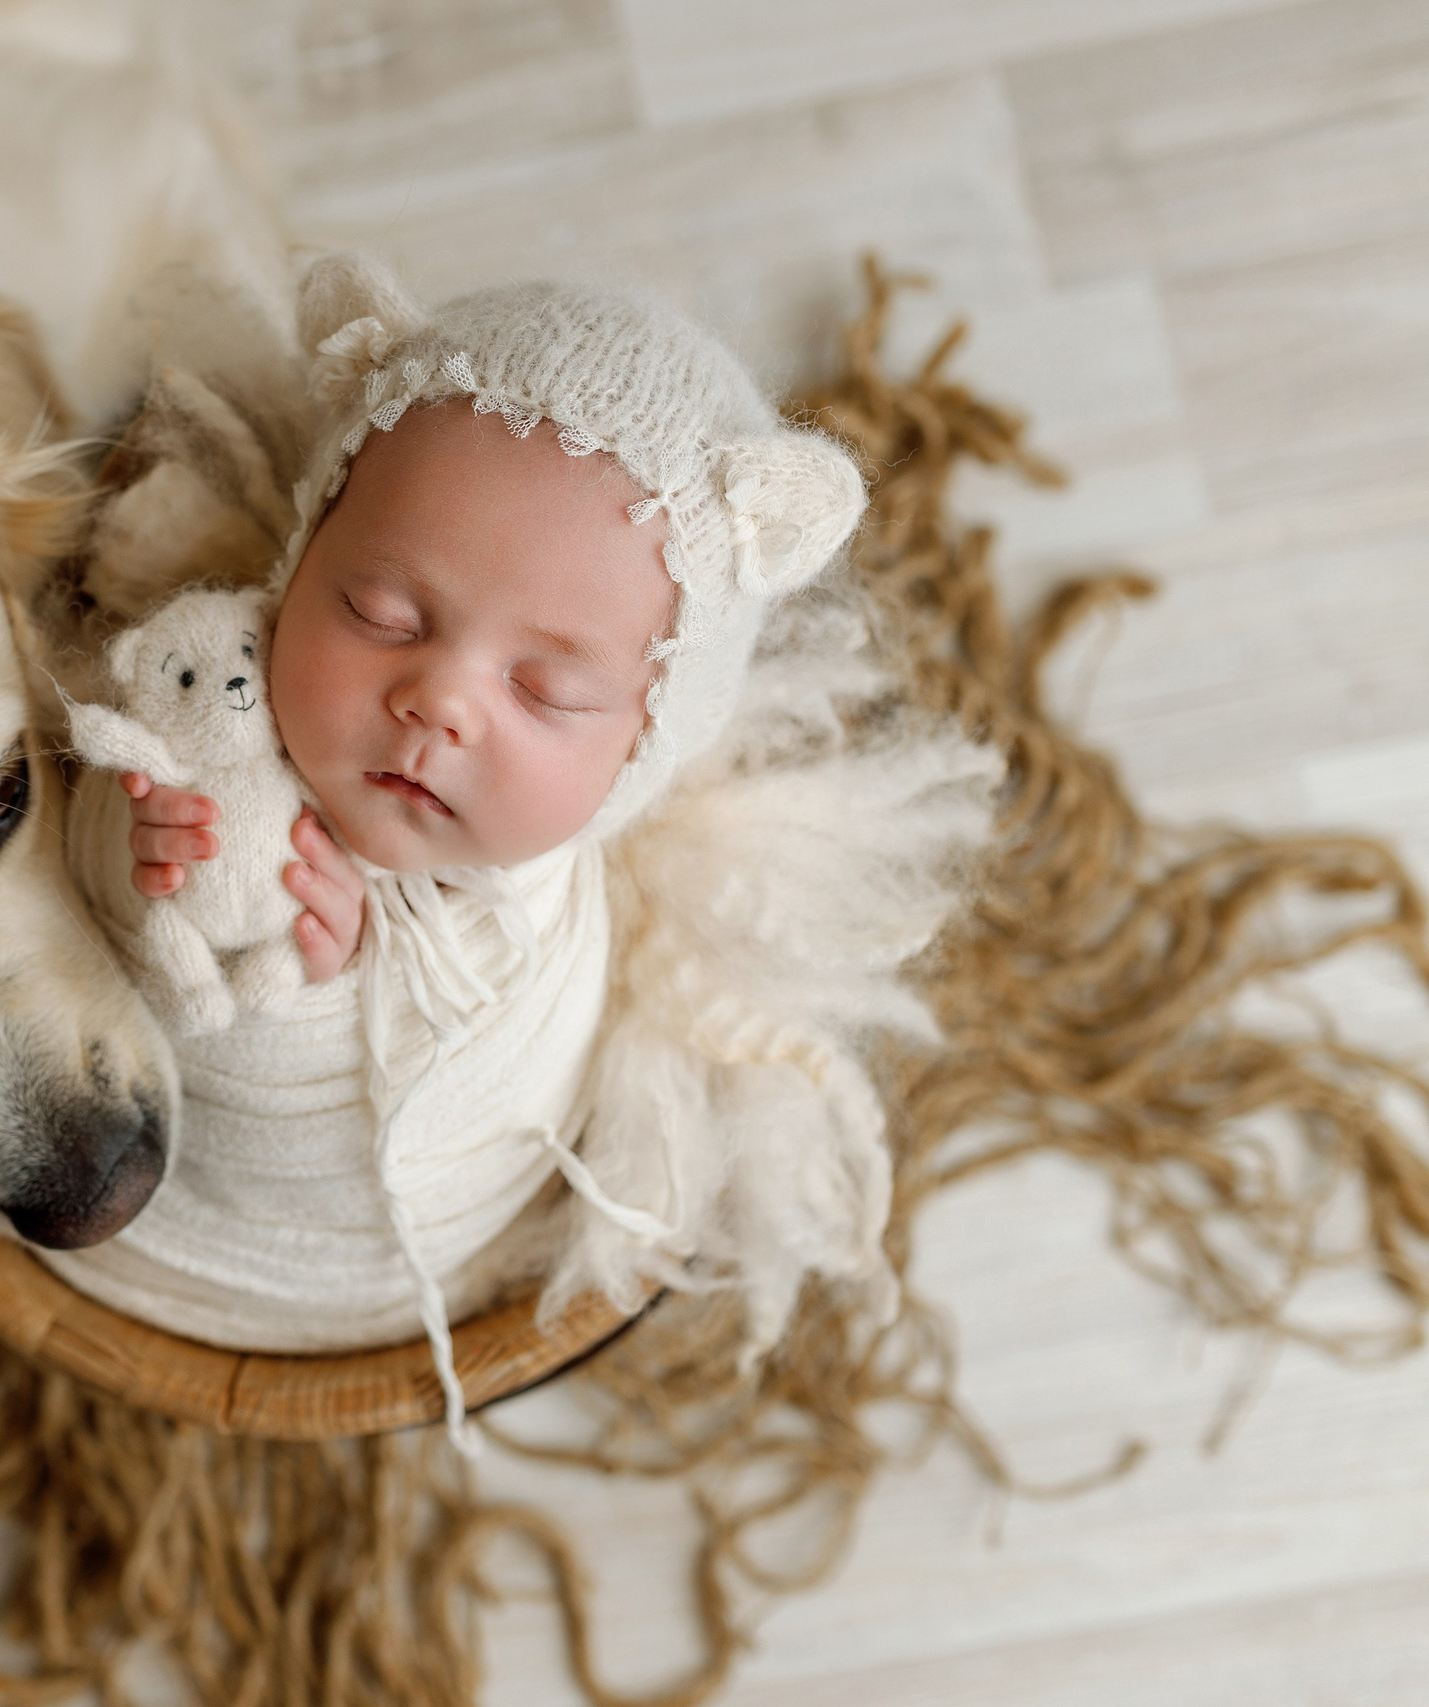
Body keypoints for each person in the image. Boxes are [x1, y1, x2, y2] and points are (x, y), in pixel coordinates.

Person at [47, 261, 881, 1442]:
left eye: (542, 689)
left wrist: (323, 994)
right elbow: (56, 954)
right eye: (382, 618)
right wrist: (145, 874)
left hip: (426, 1264)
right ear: (294, 569)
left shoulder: (542, 917)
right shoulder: (200, 712)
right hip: (166, 1228)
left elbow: (490, 1092)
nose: (437, 701)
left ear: (644, 749)